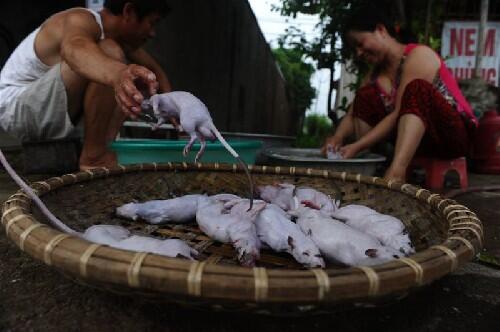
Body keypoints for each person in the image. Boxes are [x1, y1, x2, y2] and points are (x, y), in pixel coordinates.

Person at [0, 0, 172, 170]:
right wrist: (117, 74)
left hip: (41, 108)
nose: (152, 33)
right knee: (110, 54)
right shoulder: (80, 19)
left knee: (129, 71)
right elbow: (73, 50)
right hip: (17, 109)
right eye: (152, 23)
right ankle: (94, 158)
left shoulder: (115, 37)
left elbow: (154, 69)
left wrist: (173, 109)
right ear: (129, 12)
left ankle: (105, 149)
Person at [322, 5, 477, 182]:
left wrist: (356, 146)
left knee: (416, 89)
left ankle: (396, 173)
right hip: (421, 144)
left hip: (454, 139)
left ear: (380, 30)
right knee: (364, 97)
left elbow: (398, 114)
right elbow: (352, 113)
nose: (358, 53)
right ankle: (368, 166)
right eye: (354, 49)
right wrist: (337, 138)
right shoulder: (374, 75)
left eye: (360, 44)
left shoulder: (419, 55)